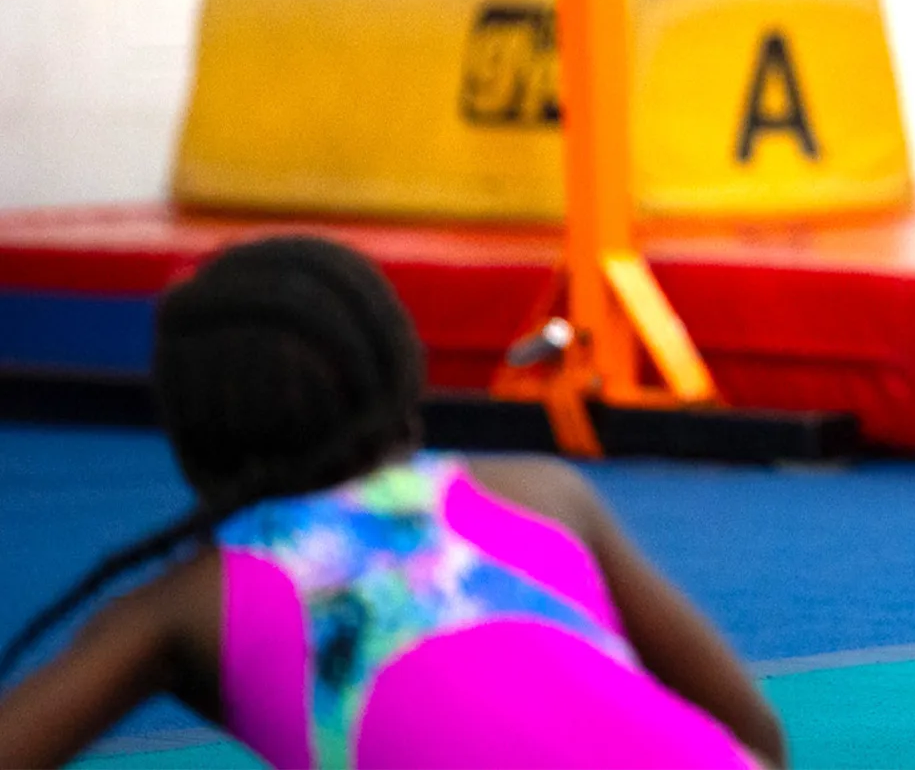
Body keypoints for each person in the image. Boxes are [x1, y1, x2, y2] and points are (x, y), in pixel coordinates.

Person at [0, 235, 786, 767]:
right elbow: (752, 733)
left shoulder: (187, 606)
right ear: (406, 381)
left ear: (190, 439)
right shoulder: (534, 490)